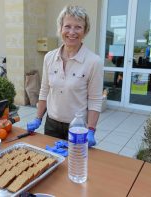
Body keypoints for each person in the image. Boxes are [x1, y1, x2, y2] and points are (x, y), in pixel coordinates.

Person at [27, 5, 104, 147]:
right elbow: (44, 90)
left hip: (78, 128)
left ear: (85, 31)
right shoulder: (49, 57)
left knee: (75, 165)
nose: (72, 32)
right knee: (52, 163)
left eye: (78, 27)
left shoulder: (94, 62)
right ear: (60, 29)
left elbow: (95, 100)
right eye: (67, 26)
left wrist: (91, 129)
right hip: (51, 125)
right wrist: (38, 118)